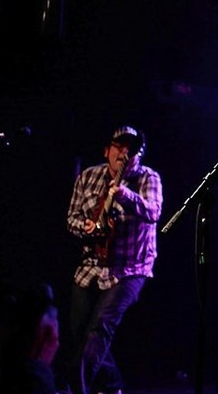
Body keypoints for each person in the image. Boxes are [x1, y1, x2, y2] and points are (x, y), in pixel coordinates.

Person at [65, 126, 162, 394]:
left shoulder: (148, 178)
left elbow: (154, 212)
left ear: (138, 155)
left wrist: (125, 195)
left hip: (130, 268)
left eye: (130, 150)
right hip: (90, 266)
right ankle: (111, 385)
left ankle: (75, 388)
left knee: (100, 327)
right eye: (119, 147)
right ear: (107, 150)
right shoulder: (87, 176)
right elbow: (71, 218)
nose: (123, 154)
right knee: (79, 330)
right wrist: (85, 227)